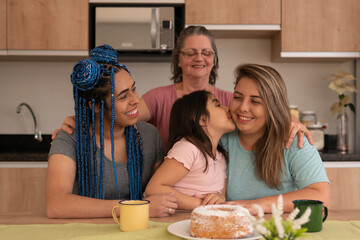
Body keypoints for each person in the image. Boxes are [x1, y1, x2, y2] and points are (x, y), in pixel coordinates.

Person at [55, 25, 312, 150]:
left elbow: (261, 113)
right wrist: (82, 119)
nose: (199, 58)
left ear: (214, 59)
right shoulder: (157, 98)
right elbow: (121, 114)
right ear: (178, 58)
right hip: (170, 191)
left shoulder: (230, 101)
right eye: (190, 52)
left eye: (206, 52)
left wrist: (290, 120)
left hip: (215, 190)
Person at [46, 45, 179, 219]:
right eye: (123, 96)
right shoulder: (69, 139)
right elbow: (56, 205)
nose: (135, 100)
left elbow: (159, 192)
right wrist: (137, 208)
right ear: (97, 106)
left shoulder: (149, 136)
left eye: (134, 88)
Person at [220, 64, 330, 214]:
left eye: (255, 101)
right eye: (237, 97)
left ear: (273, 106)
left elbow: (321, 196)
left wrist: (256, 205)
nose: (243, 108)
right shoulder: (221, 138)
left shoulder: (294, 139)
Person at [145, 90, 235, 210]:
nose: (227, 108)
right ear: (202, 119)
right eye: (218, 105)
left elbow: (220, 196)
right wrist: (200, 205)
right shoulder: (188, 148)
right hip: (175, 220)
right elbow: (154, 189)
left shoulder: (221, 157)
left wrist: (219, 198)